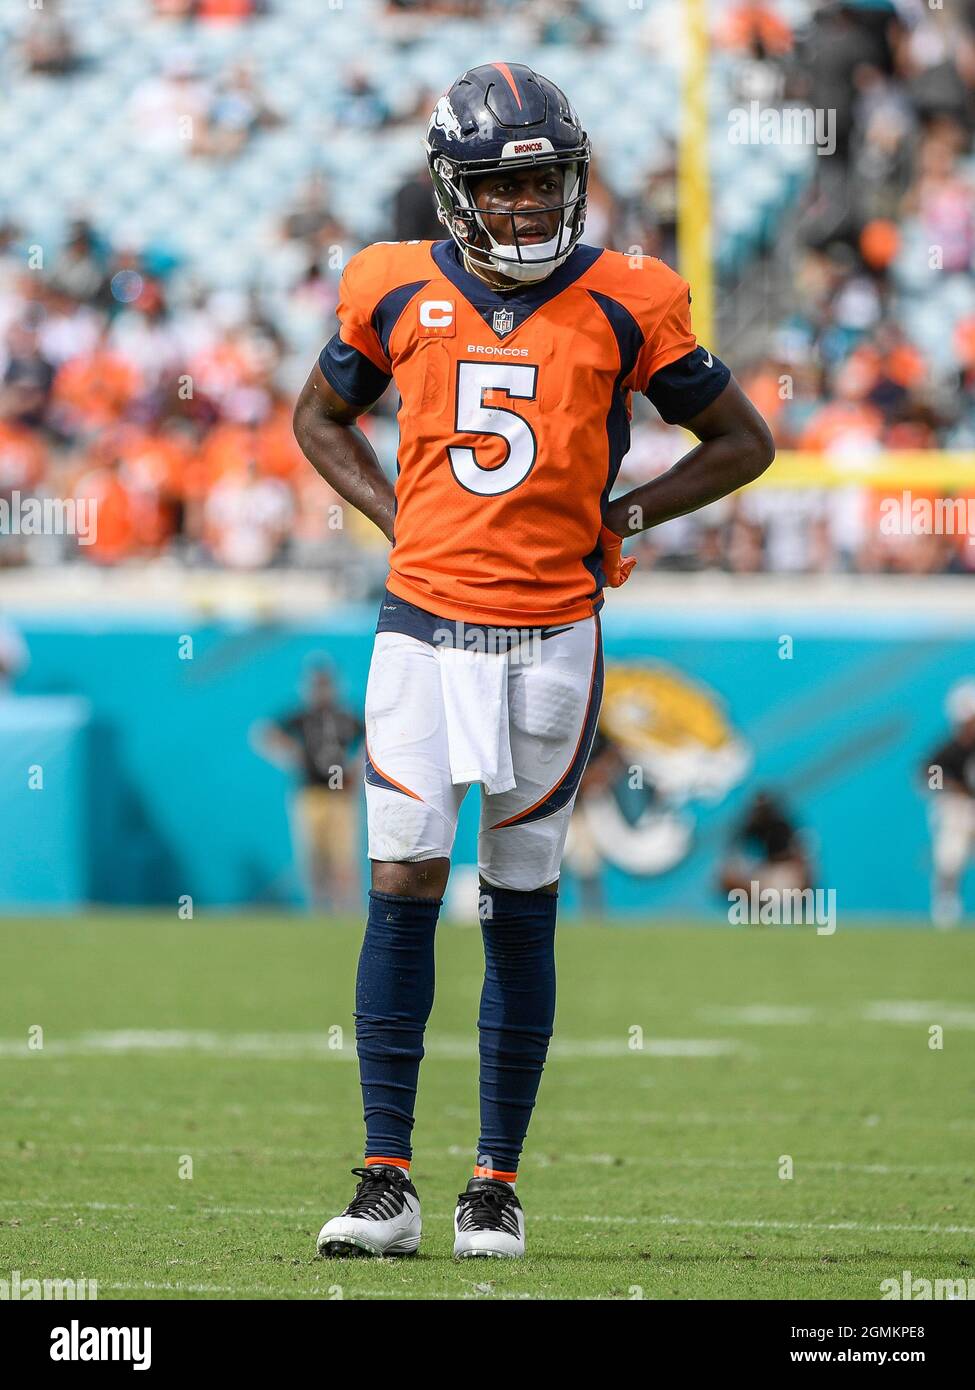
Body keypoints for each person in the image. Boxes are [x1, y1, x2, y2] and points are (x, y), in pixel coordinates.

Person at [293, 62, 774, 1260]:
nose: (528, 207)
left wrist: (631, 515)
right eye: (505, 188)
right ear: (456, 193)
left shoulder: (628, 296)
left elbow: (742, 440)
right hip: (420, 626)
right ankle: (385, 1179)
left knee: (520, 897)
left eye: (547, 182)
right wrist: (396, 519)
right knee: (403, 879)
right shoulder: (391, 286)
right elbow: (316, 417)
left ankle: (494, 1183)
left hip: (553, 631)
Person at [253, 667, 365, 911]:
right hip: (311, 793)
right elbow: (263, 733)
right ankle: (319, 910)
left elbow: (370, 738)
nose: (321, 691)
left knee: (344, 857)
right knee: (314, 856)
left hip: (341, 796)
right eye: (317, 685)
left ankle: (346, 910)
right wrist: (291, 756)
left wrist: (356, 768)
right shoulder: (302, 716)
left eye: (325, 685)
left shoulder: (345, 717)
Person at [921, 679, 975, 927]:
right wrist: (952, 788)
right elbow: (928, 775)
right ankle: (946, 904)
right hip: (959, 808)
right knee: (950, 856)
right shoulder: (948, 750)